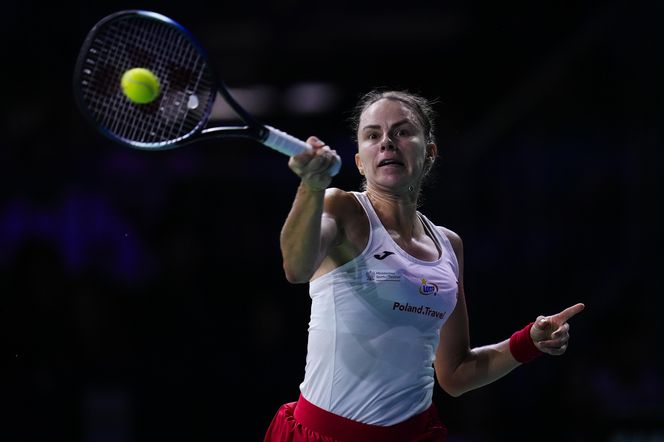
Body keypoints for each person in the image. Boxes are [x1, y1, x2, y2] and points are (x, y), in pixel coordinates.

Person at [263, 89, 585, 442]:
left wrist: (529, 343)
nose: (386, 142)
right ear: (359, 161)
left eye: (402, 132)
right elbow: (295, 266)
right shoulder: (341, 210)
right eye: (373, 135)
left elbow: (456, 373)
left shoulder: (449, 245)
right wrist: (311, 186)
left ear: (429, 152)